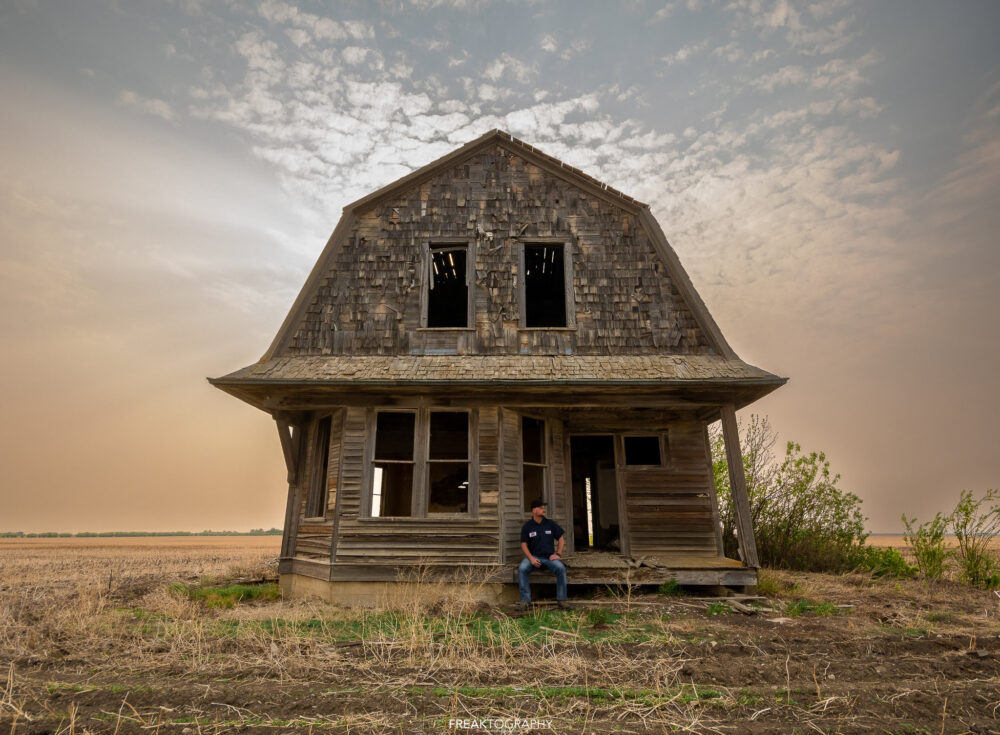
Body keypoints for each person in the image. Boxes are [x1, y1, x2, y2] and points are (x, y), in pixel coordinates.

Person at [518, 498, 569, 609]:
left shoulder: (550, 524)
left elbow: (561, 539)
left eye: (543, 508)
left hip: (549, 557)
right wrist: (531, 558)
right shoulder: (527, 526)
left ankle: (562, 600)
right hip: (534, 557)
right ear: (534, 510)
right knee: (522, 569)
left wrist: (558, 554)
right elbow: (523, 544)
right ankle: (525, 601)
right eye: (541, 508)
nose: (543, 510)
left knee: (561, 568)